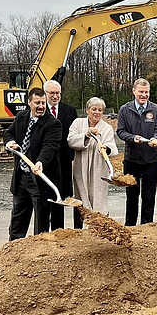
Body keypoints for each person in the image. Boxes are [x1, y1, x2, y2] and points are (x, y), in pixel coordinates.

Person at [3, 87, 61, 240]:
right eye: (37, 103)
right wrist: (10, 142)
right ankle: (13, 247)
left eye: (43, 102)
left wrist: (41, 162)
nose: (41, 106)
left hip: (40, 178)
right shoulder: (21, 117)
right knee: (18, 216)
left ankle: (39, 250)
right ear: (29, 102)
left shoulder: (53, 123)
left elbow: (50, 146)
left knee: (41, 219)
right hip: (21, 176)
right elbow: (9, 133)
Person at [116, 78, 157, 226]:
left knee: (149, 196)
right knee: (132, 197)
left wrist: (156, 139)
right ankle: (130, 227)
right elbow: (120, 131)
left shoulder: (156, 110)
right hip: (131, 161)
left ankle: (147, 227)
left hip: (151, 161)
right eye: (141, 92)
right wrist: (132, 138)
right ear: (134, 91)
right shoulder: (125, 109)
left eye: (146, 92)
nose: (144, 95)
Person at [68, 97, 118, 229]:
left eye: (100, 110)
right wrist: (86, 135)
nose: (97, 112)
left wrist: (106, 148)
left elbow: (113, 147)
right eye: (94, 109)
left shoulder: (106, 128)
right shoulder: (78, 123)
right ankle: (80, 227)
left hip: (99, 166)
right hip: (81, 164)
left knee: (99, 196)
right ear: (87, 110)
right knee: (81, 196)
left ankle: (100, 227)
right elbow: (71, 140)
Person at [43, 80, 78, 230]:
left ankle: (58, 230)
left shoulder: (70, 111)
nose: (55, 96)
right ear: (45, 94)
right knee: (45, 198)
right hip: (44, 161)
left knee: (60, 197)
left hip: (63, 162)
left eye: (58, 93)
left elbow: (74, 135)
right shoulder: (39, 110)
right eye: (52, 93)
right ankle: (43, 231)